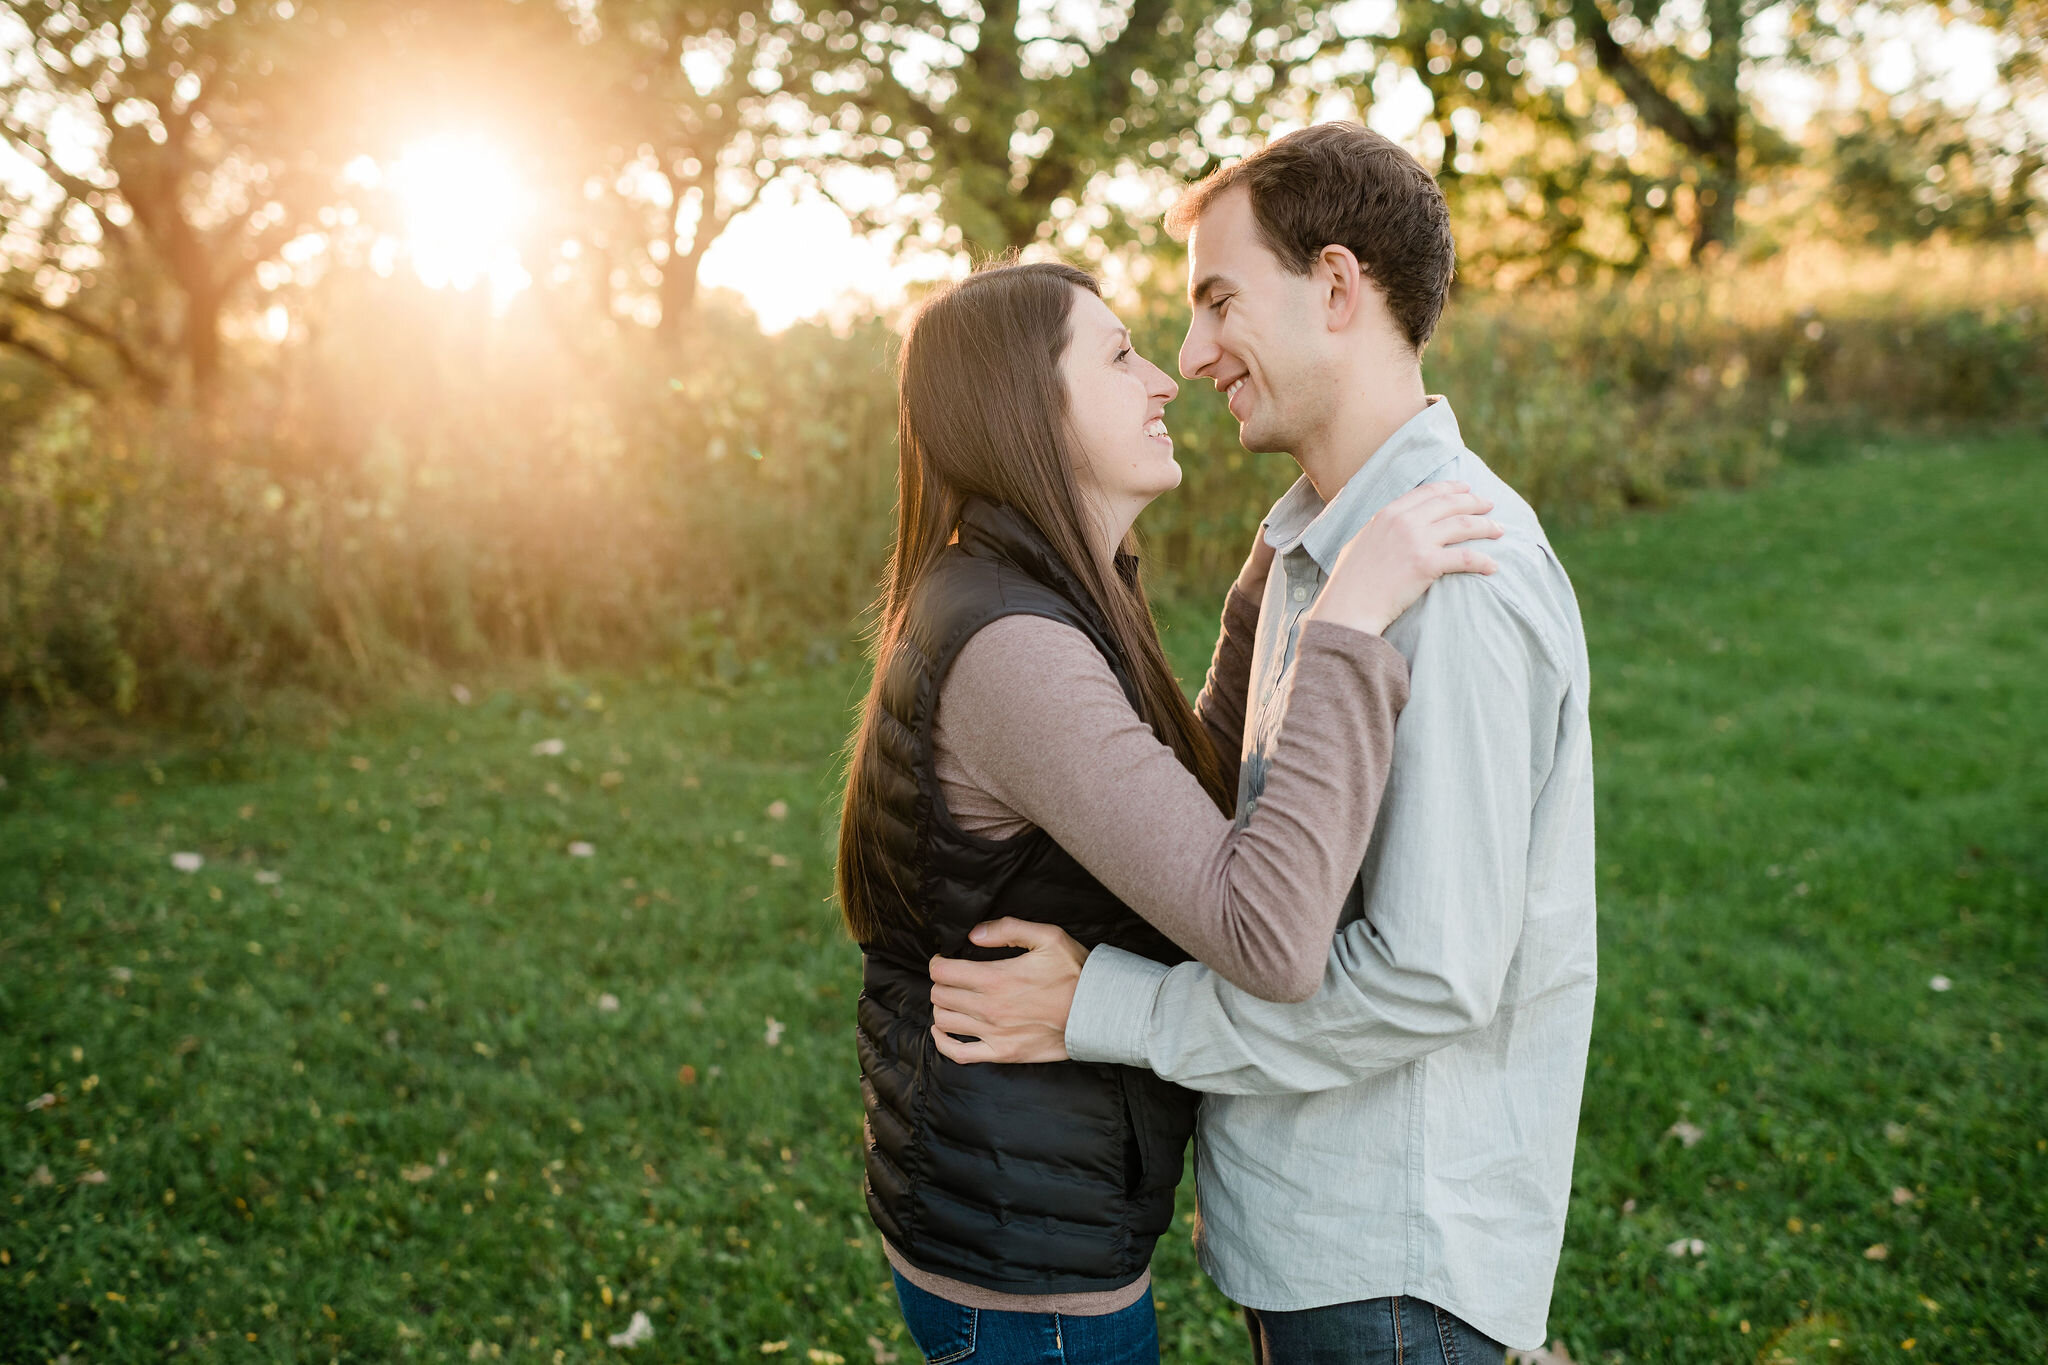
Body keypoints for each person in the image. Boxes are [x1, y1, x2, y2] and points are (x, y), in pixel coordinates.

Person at [923, 124, 1599, 1365]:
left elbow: (1429, 975)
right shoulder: (1319, 552)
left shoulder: (1451, 575)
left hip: (1388, 1258)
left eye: (1217, 301)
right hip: (1310, 1229)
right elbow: (1231, 839)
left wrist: (1105, 1007)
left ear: (1336, 288)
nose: (1190, 355)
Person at [835, 257, 1504, 1364]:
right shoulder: (1016, 653)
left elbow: (1156, 795)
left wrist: (1273, 573)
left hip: (1024, 1217)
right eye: (1117, 355)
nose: (1164, 378)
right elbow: (1266, 935)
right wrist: (1346, 619)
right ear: (1025, 410)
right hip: (1027, 1275)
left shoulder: (1029, 590)